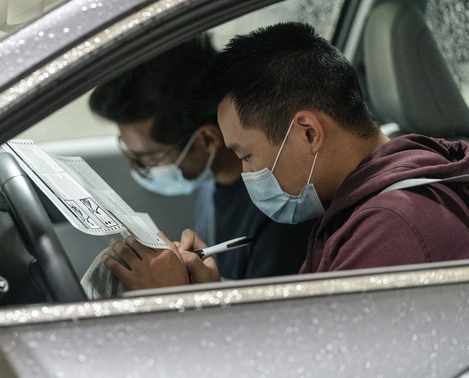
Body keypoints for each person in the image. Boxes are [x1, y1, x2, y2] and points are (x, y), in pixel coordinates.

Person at [101, 22, 469, 290]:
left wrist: (174, 303)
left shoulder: (390, 228)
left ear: (308, 132)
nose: (246, 174)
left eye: (246, 156)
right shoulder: (351, 208)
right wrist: (209, 293)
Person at [89, 34, 314, 282]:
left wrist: (176, 295)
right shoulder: (212, 188)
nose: (139, 167)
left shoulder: (280, 209)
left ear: (206, 140)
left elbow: (271, 319)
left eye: (150, 157)